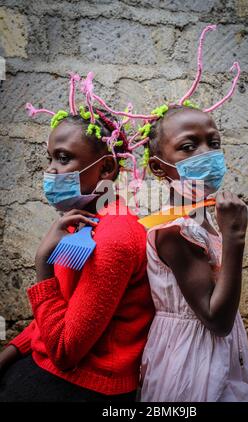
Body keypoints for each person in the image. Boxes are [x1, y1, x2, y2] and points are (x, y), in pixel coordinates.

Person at [0, 73, 155, 402]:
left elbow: (66, 351)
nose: (51, 170)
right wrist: (11, 353)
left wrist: (42, 262)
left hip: (84, 386)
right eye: (50, 158)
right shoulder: (87, 220)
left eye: (64, 158)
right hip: (53, 371)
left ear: (107, 169)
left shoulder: (114, 236)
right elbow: (64, 313)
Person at [138, 104, 248, 402]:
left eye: (213, 143)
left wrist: (247, 367)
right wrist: (235, 238)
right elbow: (216, 319)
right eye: (188, 147)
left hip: (211, 356)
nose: (206, 153)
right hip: (191, 368)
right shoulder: (175, 231)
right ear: (158, 167)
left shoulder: (200, 219)